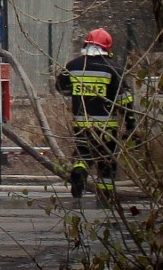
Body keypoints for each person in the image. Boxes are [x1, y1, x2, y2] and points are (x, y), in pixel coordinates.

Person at [55, 28, 134, 202]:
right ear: (107, 48)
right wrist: (130, 125)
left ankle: (80, 171)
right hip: (106, 128)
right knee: (106, 163)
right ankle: (106, 198)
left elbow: (61, 87)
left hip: (81, 124)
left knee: (83, 154)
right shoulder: (113, 69)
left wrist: (76, 93)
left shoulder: (73, 66)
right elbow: (124, 100)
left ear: (86, 44)